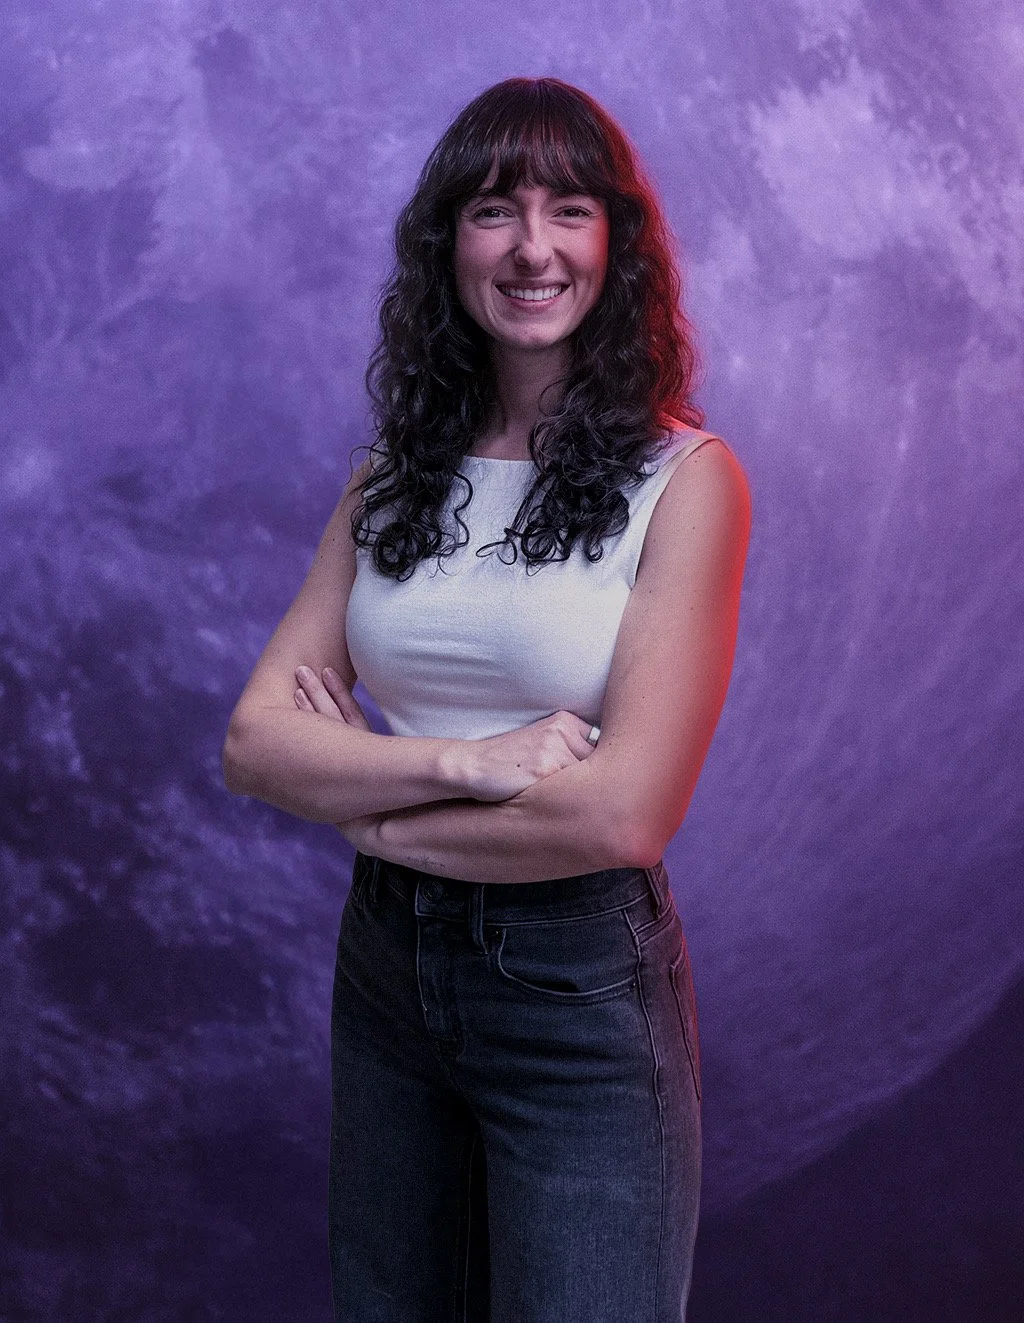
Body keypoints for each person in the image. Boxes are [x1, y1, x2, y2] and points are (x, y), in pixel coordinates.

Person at [223, 75, 750, 1323]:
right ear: (445, 243)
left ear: (613, 246)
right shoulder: (389, 478)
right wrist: (462, 764)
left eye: (568, 210)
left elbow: (619, 819)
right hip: (388, 974)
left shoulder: (688, 483)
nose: (530, 249)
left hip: (574, 988)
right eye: (492, 211)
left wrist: (362, 815)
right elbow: (254, 741)